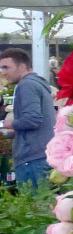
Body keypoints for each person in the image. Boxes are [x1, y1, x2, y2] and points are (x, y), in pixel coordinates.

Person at [0, 48, 56, 190]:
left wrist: (2, 123)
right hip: (41, 156)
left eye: (6, 67)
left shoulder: (27, 85)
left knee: (35, 207)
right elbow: (37, 125)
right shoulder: (38, 84)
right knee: (44, 207)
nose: (3, 72)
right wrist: (6, 134)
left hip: (32, 160)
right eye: (1, 68)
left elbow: (31, 120)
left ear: (23, 66)